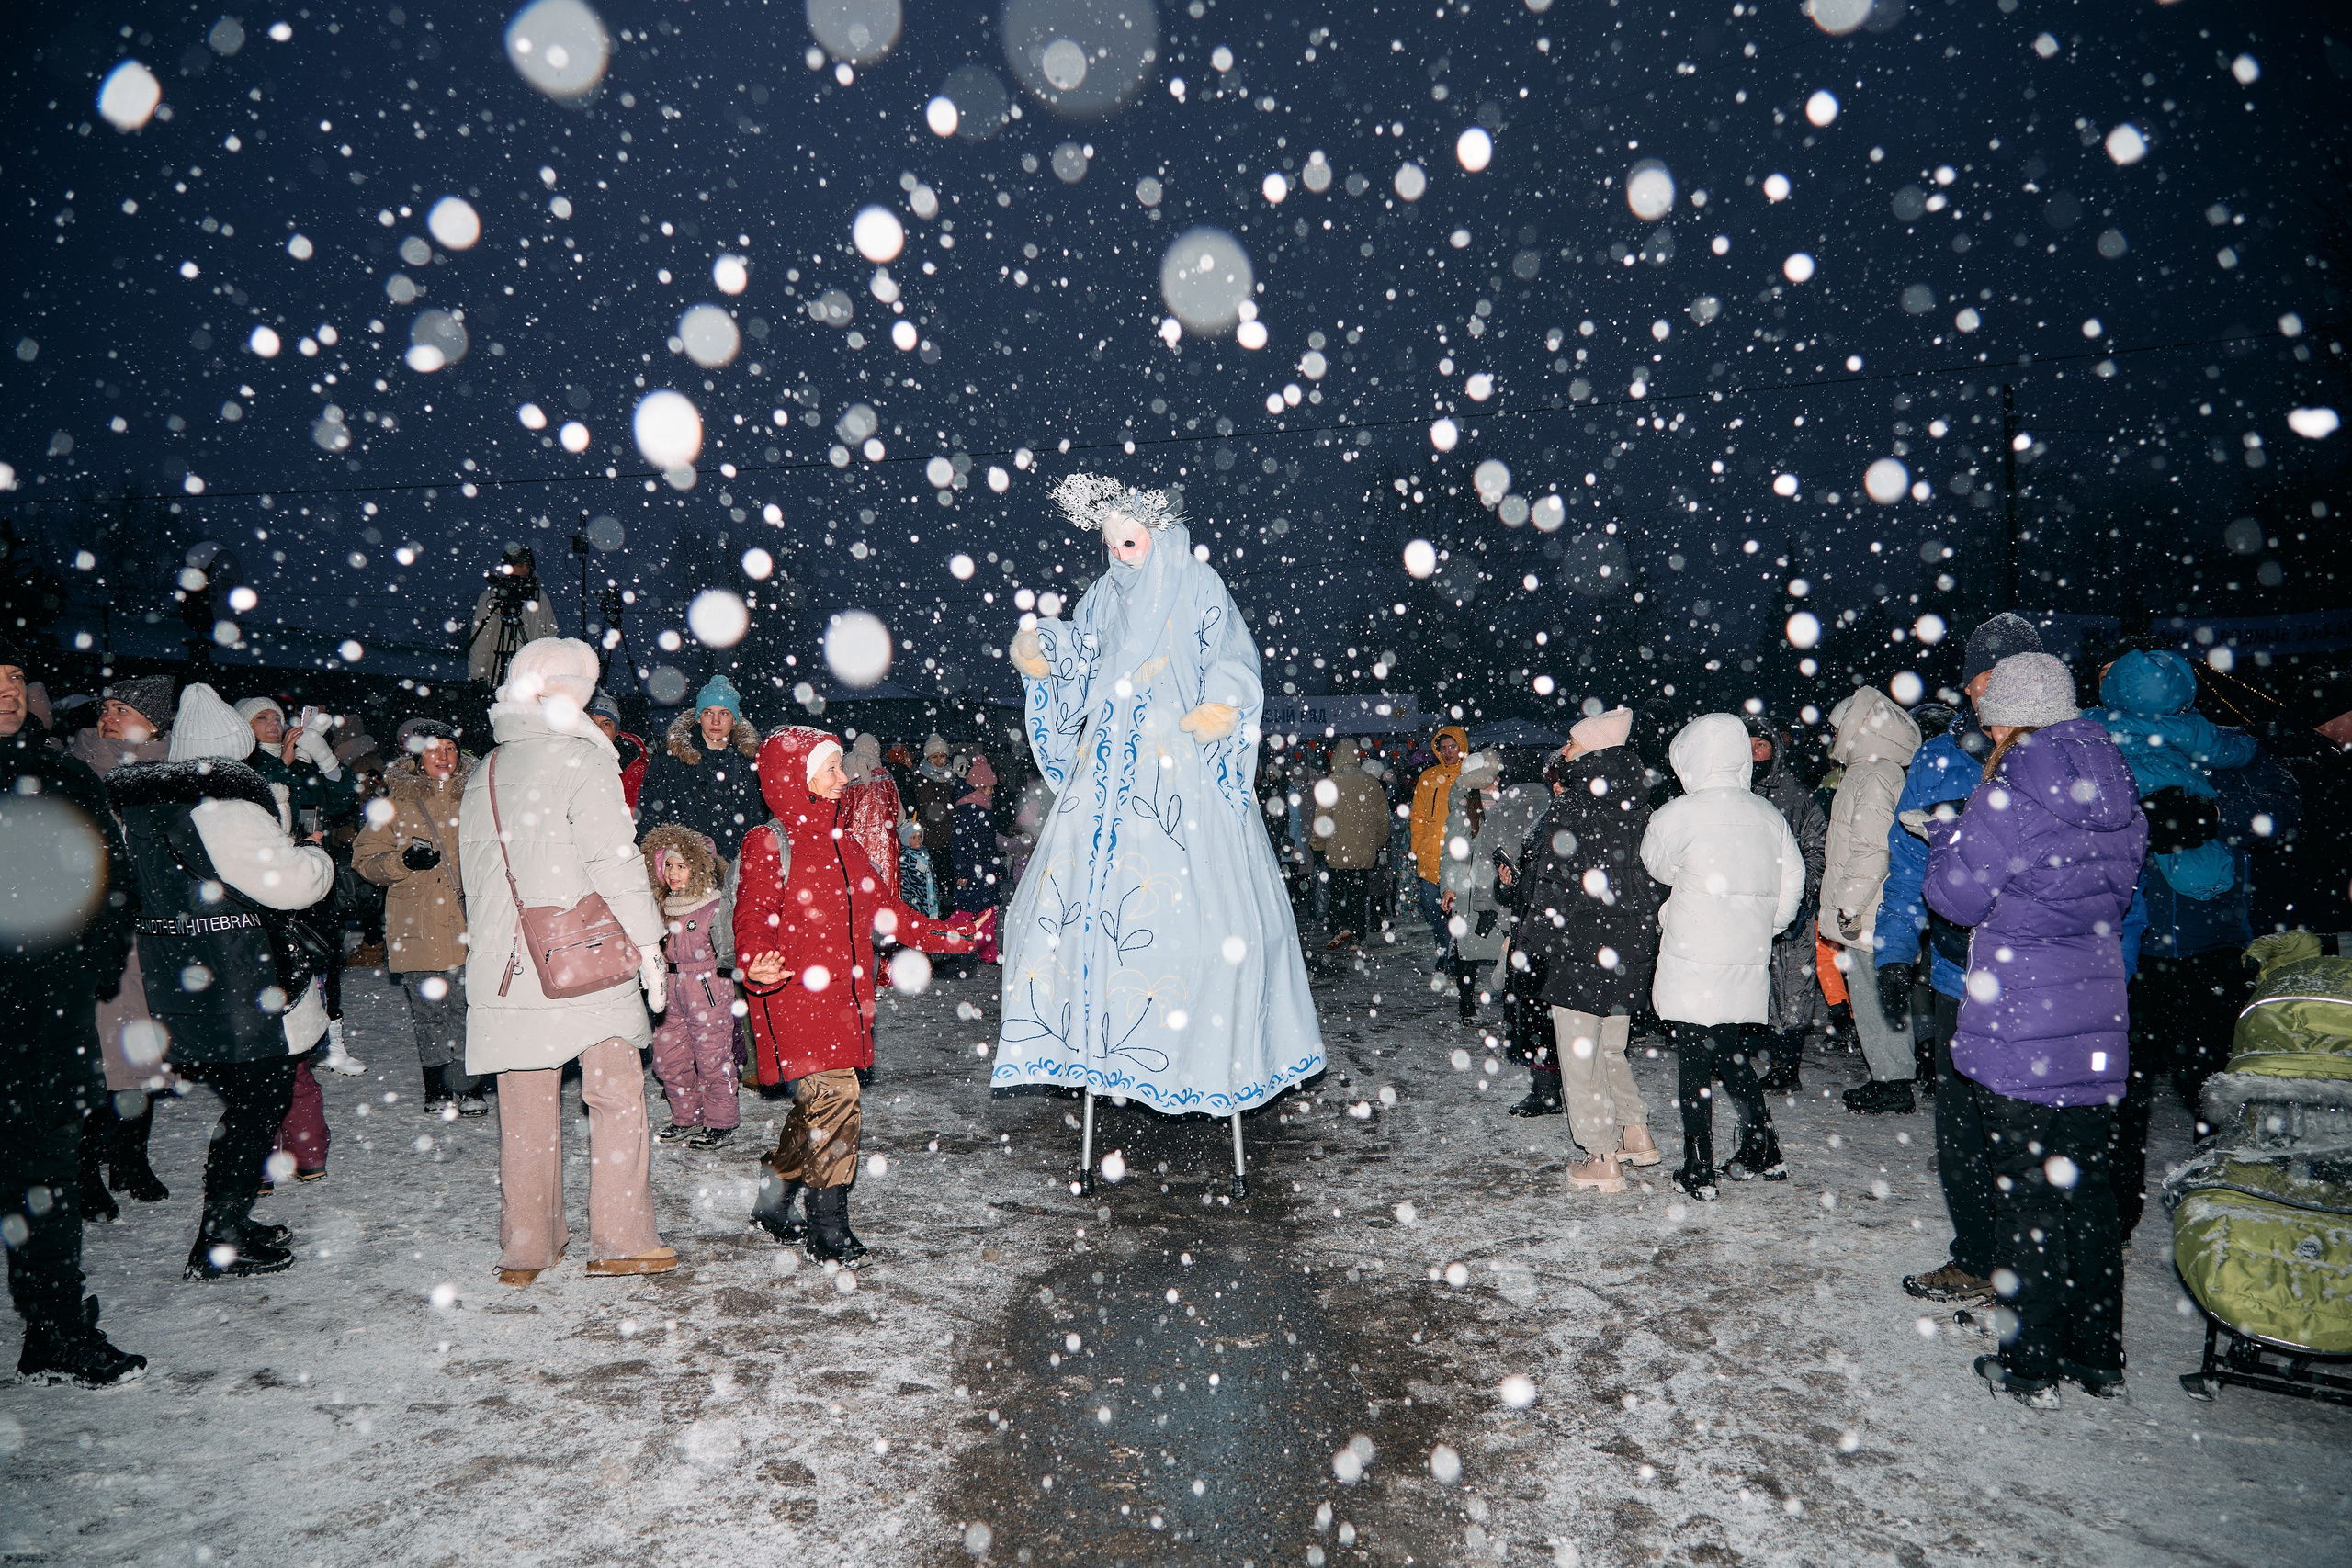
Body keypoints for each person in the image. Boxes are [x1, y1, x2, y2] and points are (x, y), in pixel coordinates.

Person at [995, 475, 1325, 1122]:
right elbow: (1083, 652)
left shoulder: (1197, 585)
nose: (1121, 555)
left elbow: (1228, 650)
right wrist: (1046, 649)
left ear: (1157, 534)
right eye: (1111, 545)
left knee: (1204, 923)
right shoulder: (1101, 597)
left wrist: (1222, 703)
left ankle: (1202, 1053)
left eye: (1130, 541)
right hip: (1106, 769)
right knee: (1078, 922)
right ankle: (1105, 1042)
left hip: (1179, 763)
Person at [1923, 652, 2146, 1406]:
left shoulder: (2009, 793)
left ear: (2012, 718)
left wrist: (1946, 839)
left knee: (2026, 1195)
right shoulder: (2118, 785)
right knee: (2087, 1190)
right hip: (2095, 1014)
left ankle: (2030, 1359)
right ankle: (2097, 1351)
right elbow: (2116, 892)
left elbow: (1956, 900)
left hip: (2022, 1015)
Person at [459, 638, 676, 1286]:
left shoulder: (486, 768)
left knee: (525, 1110)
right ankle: (620, 1237)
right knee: (615, 1093)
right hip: (582, 957)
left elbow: (475, 877)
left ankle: (527, 1245)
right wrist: (650, 942)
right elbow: (615, 862)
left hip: (505, 963)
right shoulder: (583, 760)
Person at [736, 727, 990, 1266]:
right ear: (796, 778)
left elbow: (890, 914)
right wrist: (756, 958)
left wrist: (954, 934)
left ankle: (773, 1197)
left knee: (819, 1102)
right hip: (793, 995)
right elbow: (752, 915)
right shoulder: (769, 841)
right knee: (838, 1096)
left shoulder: (845, 843)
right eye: (830, 769)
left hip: (845, 998)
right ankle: (827, 1225)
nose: (843, 777)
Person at [108, 683, 337, 1280]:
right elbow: (293, 884)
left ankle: (227, 1223)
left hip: (179, 976)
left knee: (244, 1103)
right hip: (242, 977)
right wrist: (317, 857)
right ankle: (221, 1238)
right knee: (258, 1103)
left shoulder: (143, 811)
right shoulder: (228, 808)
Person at [1881, 611, 2040, 1303]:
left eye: (1995, 680)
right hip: (1956, 976)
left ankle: (2036, 1276)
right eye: (1976, 681)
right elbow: (1908, 863)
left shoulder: (2065, 758)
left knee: (2031, 1136)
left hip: (2040, 980)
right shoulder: (1940, 759)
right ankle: (1976, 1254)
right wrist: (1894, 950)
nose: (1981, 695)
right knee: (1963, 1128)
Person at [2, 637, 147, 1385]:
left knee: (45, 1181)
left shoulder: (63, 774)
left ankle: (54, 1328)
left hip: (46, 1017)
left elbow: (112, 881)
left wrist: (90, 966)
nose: (5, 690)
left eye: (13, 677)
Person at [1641, 713, 1806, 1201]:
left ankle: (1699, 1166)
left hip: (1693, 950)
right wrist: (1764, 927)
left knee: (1695, 1056)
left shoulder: (1677, 814)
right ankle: (1762, 1145)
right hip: (1743, 951)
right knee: (1729, 1050)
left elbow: (1655, 865)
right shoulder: (1768, 814)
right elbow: (1793, 880)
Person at [1512, 709, 1664, 1180]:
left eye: (1573, 744)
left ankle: (1600, 1156)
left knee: (1580, 1052)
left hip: (1579, 945)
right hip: (1628, 949)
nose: (1565, 751)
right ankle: (1635, 1132)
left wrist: (1531, 942)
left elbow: (1553, 885)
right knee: (1611, 1047)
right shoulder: (1643, 805)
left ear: (1593, 752)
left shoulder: (1573, 806)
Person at [352, 717, 484, 1115]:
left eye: (450, 748)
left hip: (469, 919)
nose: (443, 757)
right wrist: (402, 861)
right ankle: (437, 1088)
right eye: (433, 749)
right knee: (429, 1013)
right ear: (416, 757)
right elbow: (364, 860)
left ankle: (468, 1085)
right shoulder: (395, 803)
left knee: (468, 1007)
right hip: (416, 920)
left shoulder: (477, 795)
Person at [1816, 688, 1926, 1114]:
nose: (1833, 737)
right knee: (1875, 995)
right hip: (1874, 905)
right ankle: (1889, 1075)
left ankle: (1893, 1081)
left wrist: (1848, 905)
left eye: (1837, 729)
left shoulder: (1874, 775)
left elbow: (1873, 849)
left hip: (1870, 908)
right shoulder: (1874, 771)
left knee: (1876, 996)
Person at [639, 825, 740, 1148]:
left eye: (681, 866)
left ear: (698, 868)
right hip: (670, 988)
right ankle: (686, 1116)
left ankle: (721, 1121)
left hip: (707, 989)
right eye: (668, 865)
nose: (673, 873)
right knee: (670, 1058)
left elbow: (729, 949)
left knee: (712, 1056)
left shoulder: (713, 907)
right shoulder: (661, 908)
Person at [1748, 719, 1828, 1092]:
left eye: (1761, 745)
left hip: (1788, 907)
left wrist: (1799, 898)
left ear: (1775, 750)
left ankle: (1785, 1064)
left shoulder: (1796, 796)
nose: (1754, 753)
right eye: (1747, 744)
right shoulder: (1733, 793)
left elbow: (1816, 849)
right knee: (1748, 982)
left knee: (1792, 986)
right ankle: (1739, 1055)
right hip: (1746, 909)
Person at [639, 675, 763, 860]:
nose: (715, 721)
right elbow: (648, 822)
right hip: (684, 870)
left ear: (735, 720)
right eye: (708, 712)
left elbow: (759, 825)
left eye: (724, 713)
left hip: (739, 870)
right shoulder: (668, 764)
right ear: (698, 718)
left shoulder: (751, 767)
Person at [1310, 738, 1392, 951]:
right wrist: (1377, 844)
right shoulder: (1372, 783)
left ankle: (1339, 927)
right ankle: (1358, 936)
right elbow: (1383, 821)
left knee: (1337, 893)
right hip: (1363, 851)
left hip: (1336, 850)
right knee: (1359, 895)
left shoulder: (1332, 782)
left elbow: (1322, 820)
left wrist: (1317, 846)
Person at [1408, 722, 1472, 979]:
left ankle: (1454, 956)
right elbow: (1417, 816)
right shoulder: (1428, 777)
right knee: (1435, 913)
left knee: (1458, 913)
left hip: (1459, 859)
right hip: (1430, 858)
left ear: (1462, 746)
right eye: (1443, 747)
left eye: (1452, 746)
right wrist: (1418, 848)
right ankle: (1444, 950)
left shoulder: (1470, 776)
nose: (1448, 752)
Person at [469, 543, 560, 691]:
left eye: (528, 566)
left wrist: (546, 669)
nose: (525, 570)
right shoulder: (492, 597)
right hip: (499, 677)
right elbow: (482, 640)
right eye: (520, 565)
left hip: (531, 678)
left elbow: (551, 634)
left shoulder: (539, 597)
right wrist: (477, 676)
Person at [951, 754, 1007, 965]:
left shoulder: (984, 809)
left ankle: (987, 952)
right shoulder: (968, 811)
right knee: (966, 913)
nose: (992, 793)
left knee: (988, 913)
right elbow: (959, 844)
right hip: (973, 871)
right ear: (979, 788)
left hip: (985, 870)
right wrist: (962, 871)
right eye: (989, 788)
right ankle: (944, 942)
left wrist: (997, 867)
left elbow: (989, 844)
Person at [841, 734, 905, 901]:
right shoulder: (886, 776)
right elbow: (900, 817)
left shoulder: (844, 777)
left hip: (853, 847)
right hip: (884, 849)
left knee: (858, 896)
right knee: (886, 894)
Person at [66, 675, 172, 775]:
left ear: (153, 725)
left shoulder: (172, 773)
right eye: (104, 710)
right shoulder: (69, 766)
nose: (104, 718)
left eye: (121, 710)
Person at [912, 733, 962, 897]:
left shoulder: (951, 777)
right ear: (928, 758)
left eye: (942, 756)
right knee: (942, 886)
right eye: (934, 756)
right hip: (936, 841)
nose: (939, 760)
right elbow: (932, 814)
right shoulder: (924, 779)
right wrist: (952, 837)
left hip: (951, 838)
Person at [587, 690, 650, 813]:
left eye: (606, 724)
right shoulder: (563, 757)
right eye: (592, 722)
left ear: (616, 731)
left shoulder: (635, 769)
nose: (598, 730)